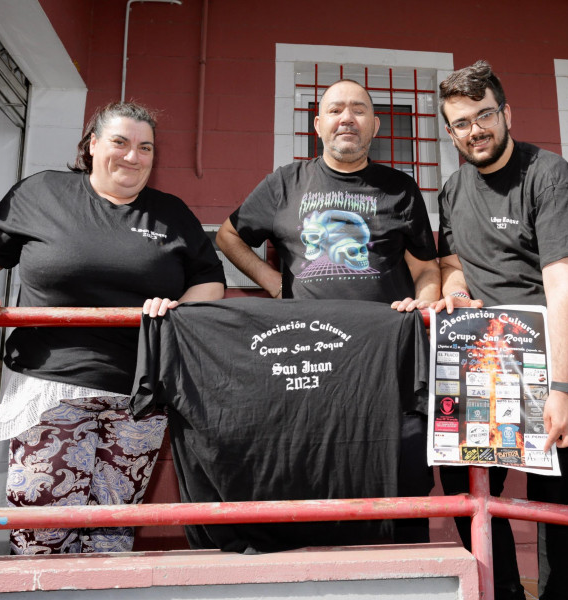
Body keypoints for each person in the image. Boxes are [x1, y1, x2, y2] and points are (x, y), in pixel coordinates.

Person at [0, 101, 226, 555]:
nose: (133, 156)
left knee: (111, 535)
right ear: (92, 144)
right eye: (119, 142)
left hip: (139, 393)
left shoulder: (171, 213)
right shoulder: (42, 192)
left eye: (145, 148)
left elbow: (209, 282)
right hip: (51, 387)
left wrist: (177, 308)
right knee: (41, 531)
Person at [215, 79, 440, 542]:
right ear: (318, 124)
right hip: (308, 360)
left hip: (384, 364)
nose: (347, 119)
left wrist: (423, 300)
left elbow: (427, 268)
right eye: (336, 109)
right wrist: (276, 285)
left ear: (375, 125)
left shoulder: (398, 188)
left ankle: (400, 569)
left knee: (402, 469)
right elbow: (228, 236)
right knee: (313, 467)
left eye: (359, 110)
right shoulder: (284, 183)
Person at [433, 61, 568, 600]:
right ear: (450, 132)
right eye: (461, 123)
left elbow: (562, 287)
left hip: (561, 350)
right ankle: (505, 594)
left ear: (506, 113)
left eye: (484, 115)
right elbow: (452, 261)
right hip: (492, 352)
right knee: (465, 483)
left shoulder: (548, 174)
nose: (475, 131)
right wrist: (457, 287)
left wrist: (560, 390)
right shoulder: (452, 188)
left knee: (554, 486)